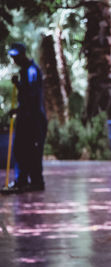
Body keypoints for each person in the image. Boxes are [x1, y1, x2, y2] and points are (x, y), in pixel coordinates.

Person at [1, 42, 47, 194]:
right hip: (25, 117)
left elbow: (32, 97)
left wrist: (18, 108)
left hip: (33, 119)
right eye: (12, 57)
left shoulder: (32, 71)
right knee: (21, 150)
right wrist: (18, 85)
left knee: (31, 150)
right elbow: (27, 92)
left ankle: (35, 182)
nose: (14, 60)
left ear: (23, 54)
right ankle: (22, 181)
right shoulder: (25, 71)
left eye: (16, 56)